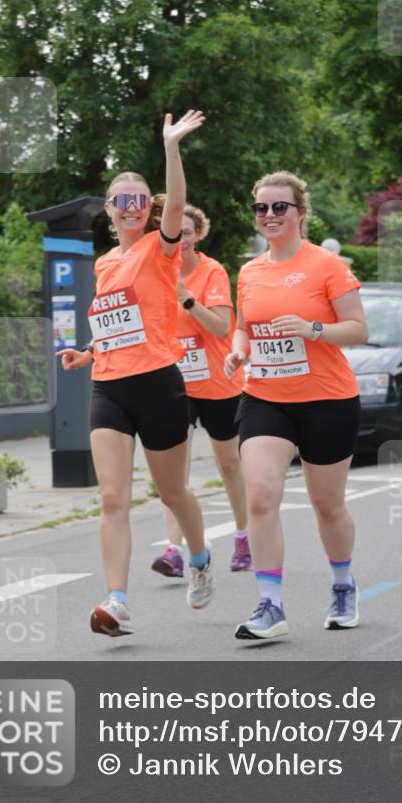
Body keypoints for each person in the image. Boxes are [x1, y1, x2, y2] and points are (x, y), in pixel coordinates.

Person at [57, 110, 213, 637]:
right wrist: (88, 351)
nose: (130, 208)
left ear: (151, 211)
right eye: (121, 201)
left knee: (172, 494)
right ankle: (117, 601)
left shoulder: (160, 248)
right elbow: (119, 323)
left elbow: (173, 198)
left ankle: (198, 557)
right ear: (108, 210)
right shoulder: (103, 264)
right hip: (110, 386)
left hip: (160, 385)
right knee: (112, 498)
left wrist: (171, 148)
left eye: (140, 201)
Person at [225, 171, 368, 640]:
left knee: (327, 505)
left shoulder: (326, 265)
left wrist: (313, 330)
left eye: (279, 207)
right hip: (265, 396)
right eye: (261, 208)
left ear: (300, 213)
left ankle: (344, 585)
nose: (269, 216)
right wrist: (238, 349)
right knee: (261, 495)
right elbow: (244, 327)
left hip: (327, 399)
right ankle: (270, 605)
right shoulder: (249, 271)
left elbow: (357, 329)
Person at [150, 202, 250, 578]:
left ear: (197, 235)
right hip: (175, 383)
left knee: (229, 464)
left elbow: (223, 328)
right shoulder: (156, 270)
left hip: (218, 381)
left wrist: (186, 298)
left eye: (187, 232)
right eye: (175, 232)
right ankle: (175, 549)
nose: (181, 238)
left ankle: (243, 535)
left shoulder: (212, 272)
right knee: (175, 472)